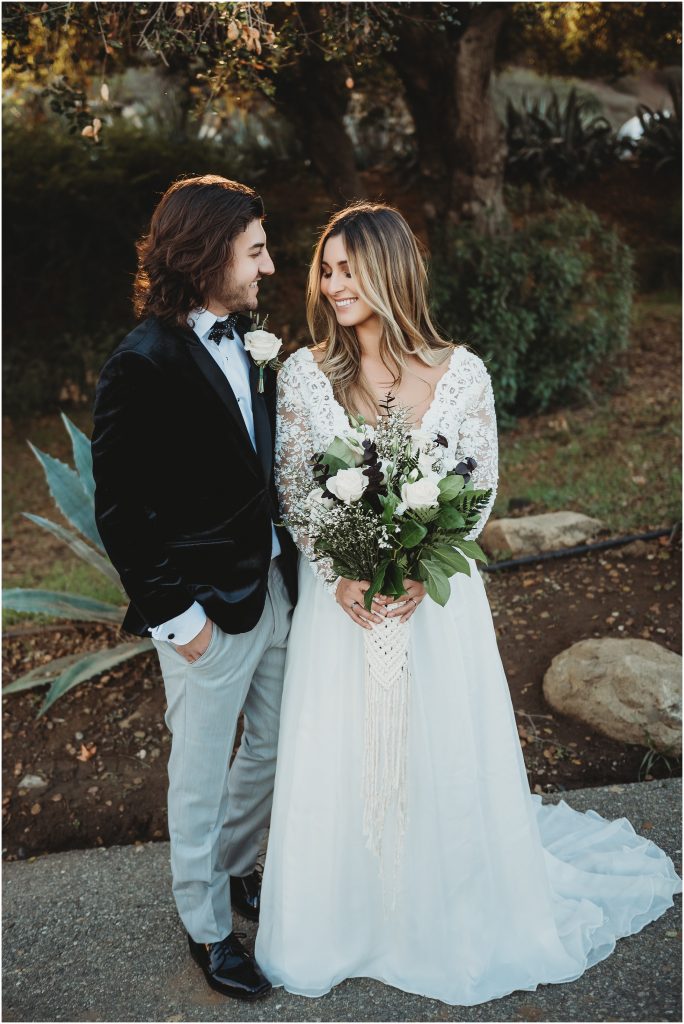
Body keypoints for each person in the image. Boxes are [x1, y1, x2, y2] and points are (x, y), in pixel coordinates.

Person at [255, 202, 681, 1006]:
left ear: (391, 271)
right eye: (328, 268)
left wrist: (421, 564)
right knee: (342, 747)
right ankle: (344, 918)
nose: (334, 283)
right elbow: (296, 489)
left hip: (435, 603)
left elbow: (477, 486)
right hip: (340, 604)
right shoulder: (307, 374)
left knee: (441, 741)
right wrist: (337, 566)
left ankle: (448, 909)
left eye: (350, 268)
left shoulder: (463, 372)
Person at [91, 175, 297, 1002]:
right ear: (209, 255)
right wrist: (183, 622)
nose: (269, 267)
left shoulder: (248, 336)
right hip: (206, 611)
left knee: (278, 744)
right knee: (202, 776)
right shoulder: (139, 364)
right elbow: (121, 511)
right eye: (255, 252)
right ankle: (208, 927)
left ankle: (234, 867)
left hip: (274, 588)